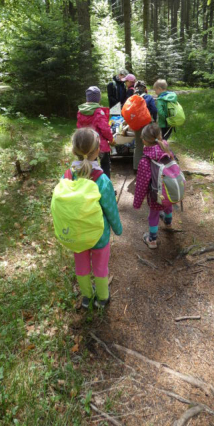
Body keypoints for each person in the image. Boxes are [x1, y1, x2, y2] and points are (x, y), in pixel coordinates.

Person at [67, 128, 122, 308]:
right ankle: (102, 298)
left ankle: (86, 297)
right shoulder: (101, 179)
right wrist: (118, 228)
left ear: (74, 150)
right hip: (99, 234)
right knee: (100, 267)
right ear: (98, 150)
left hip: (76, 234)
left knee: (81, 266)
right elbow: (110, 209)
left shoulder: (68, 176)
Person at [133, 122, 174, 249]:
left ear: (144, 141)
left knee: (154, 214)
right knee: (168, 205)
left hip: (156, 194)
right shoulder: (166, 148)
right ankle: (168, 221)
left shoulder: (146, 160)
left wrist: (137, 202)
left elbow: (141, 184)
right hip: (169, 189)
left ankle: (152, 239)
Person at [77, 86, 113, 179]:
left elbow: (79, 127)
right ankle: (106, 185)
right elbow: (105, 129)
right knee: (105, 165)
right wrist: (111, 139)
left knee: (91, 165)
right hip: (100, 144)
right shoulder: (98, 112)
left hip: (86, 143)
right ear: (98, 98)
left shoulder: (80, 111)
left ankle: (92, 183)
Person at [133, 80, 158, 172]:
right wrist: (155, 119)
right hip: (146, 123)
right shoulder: (148, 97)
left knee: (138, 145)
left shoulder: (132, 98)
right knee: (149, 144)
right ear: (145, 89)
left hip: (136, 124)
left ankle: (136, 167)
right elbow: (154, 110)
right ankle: (147, 167)